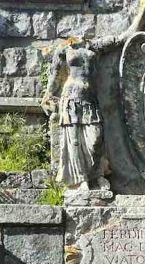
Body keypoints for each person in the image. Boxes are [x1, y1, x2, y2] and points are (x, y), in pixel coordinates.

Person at [41, 44, 109, 191]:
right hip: (70, 99)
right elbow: (56, 74)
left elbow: (115, 41)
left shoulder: (93, 46)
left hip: (89, 99)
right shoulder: (64, 49)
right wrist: (48, 95)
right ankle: (81, 179)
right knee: (75, 142)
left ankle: (97, 175)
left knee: (96, 139)